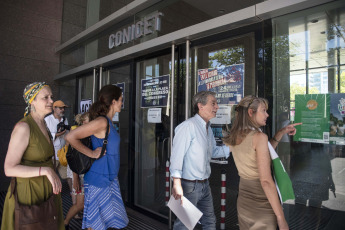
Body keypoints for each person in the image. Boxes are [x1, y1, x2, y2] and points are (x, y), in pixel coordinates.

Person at [223, 95, 301, 230]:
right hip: (262, 202)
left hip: (244, 201)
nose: (267, 114)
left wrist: (281, 132)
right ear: (250, 113)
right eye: (263, 110)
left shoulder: (236, 134)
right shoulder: (259, 137)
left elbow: (261, 153)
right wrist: (281, 218)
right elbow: (265, 181)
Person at [1, 82, 64, 230]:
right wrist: (46, 170)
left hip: (46, 190)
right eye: (45, 97)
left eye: (51, 97)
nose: (51, 101)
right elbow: (9, 169)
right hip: (29, 193)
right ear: (32, 101)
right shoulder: (24, 127)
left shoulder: (43, 124)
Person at [65, 85, 128, 230]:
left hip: (108, 180)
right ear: (113, 102)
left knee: (103, 222)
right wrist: (92, 153)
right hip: (99, 180)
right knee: (95, 223)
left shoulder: (108, 121)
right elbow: (71, 136)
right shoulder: (102, 122)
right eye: (120, 100)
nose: (122, 103)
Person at [169, 91, 230, 230]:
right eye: (213, 103)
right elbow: (176, 157)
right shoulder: (188, 126)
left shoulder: (207, 127)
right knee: (184, 225)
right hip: (189, 186)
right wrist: (176, 184)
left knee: (209, 221)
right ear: (200, 106)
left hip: (204, 185)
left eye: (216, 103)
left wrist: (235, 147)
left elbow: (214, 152)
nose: (217, 107)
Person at [64, 112, 89, 229]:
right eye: (90, 120)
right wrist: (75, 178)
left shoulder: (91, 134)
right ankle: (65, 223)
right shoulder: (79, 135)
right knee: (80, 204)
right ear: (83, 122)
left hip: (90, 175)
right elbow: (74, 159)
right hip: (82, 175)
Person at [45, 100, 71, 182]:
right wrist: (56, 134)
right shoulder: (47, 120)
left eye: (64, 108)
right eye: (60, 108)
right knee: (50, 177)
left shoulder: (65, 119)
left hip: (63, 153)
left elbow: (67, 134)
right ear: (54, 108)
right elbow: (44, 136)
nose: (63, 110)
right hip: (52, 154)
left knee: (68, 175)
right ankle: (50, 193)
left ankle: (71, 193)